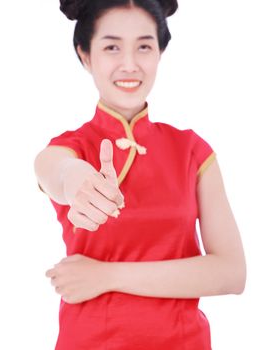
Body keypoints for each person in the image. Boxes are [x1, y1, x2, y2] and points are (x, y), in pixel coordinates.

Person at [34, 1, 247, 349]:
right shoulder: (70, 147)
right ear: (85, 55)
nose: (129, 64)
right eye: (111, 47)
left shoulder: (193, 150)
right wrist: (75, 180)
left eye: (144, 46)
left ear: (160, 53)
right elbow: (53, 169)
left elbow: (231, 273)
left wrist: (106, 276)